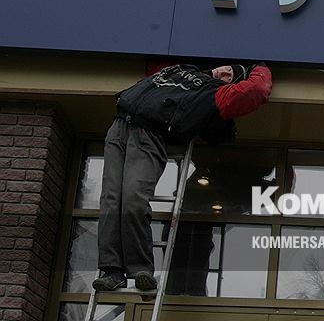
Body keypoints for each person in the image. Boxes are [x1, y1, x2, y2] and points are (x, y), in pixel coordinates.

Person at [92, 62, 273, 292]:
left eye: (232, 75)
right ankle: (111, 271)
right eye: (226, 67)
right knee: (110, 200)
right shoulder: (180, 70)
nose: (225, 71)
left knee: (133, 198)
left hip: (148, 134)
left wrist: (260, 65)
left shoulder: (214, 94)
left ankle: (140, 269)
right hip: (119, 126)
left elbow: (256, 91)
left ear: (232, 84)